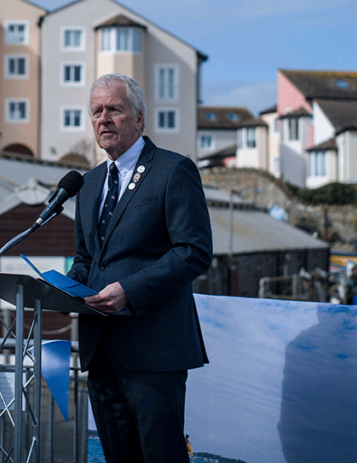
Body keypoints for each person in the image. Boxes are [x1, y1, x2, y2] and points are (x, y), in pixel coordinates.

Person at [66, 73, 213, 463]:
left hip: (153, 349)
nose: (104, 119)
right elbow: (86, 259)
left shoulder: (173, 170)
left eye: (114, 109)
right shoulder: (88, 183)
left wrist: (129, 290)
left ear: (139, 120)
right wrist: (64, 288)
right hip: (99, 347)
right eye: (97, 111)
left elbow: (193, 252)